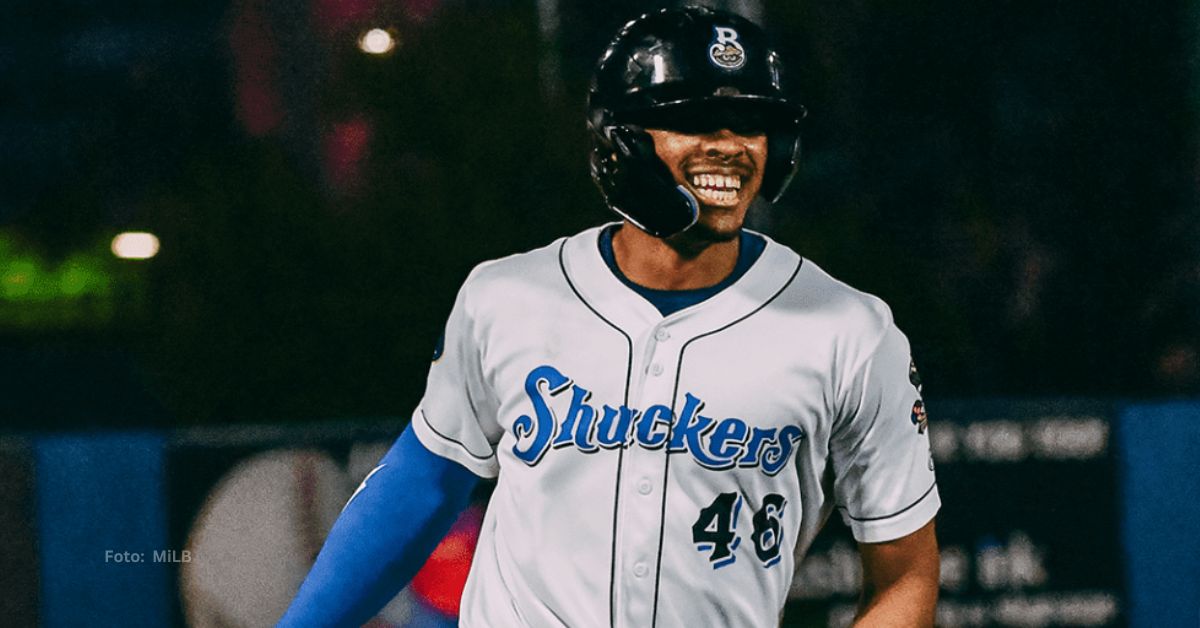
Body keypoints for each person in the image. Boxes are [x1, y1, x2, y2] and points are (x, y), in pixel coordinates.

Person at [279, 6, 940, 627]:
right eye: (695, 120)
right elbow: (421, 488)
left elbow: (905, 576)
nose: (730, 146)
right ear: (621, 141)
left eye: (749, 123)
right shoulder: (507, 298)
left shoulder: (850, 330)